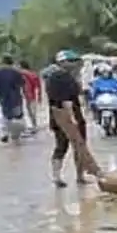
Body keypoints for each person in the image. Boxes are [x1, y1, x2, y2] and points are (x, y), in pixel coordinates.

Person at [46, 50, 97, 187]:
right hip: (68, 116)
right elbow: (66, 100)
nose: (74, 64)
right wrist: (72, 119)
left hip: (56, 116)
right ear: (62, 62)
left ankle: (57, 176)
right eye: (71, 61)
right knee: (78, 145)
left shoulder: (52, 77)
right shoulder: (64, 78)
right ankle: (79, 176)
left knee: (61, 146)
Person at [0, 55, 26, 144]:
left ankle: (5, 133)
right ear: (12, 62)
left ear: (2, 62)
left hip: (3, 97)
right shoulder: (16, 72)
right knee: (17, 116)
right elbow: (22, 85)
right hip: (16, 97)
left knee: (5, 115)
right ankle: (16, 136)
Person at [19, 60, 42, 132]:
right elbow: (38, 85)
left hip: (27, 94)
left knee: (30, 112)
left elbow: (25, 85)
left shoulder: (22, 74)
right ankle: (34, 125)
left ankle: (33, 126)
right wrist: (39, 95)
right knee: (32, 111)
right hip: (33, 94)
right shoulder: (33, 73)